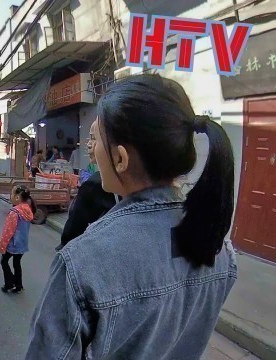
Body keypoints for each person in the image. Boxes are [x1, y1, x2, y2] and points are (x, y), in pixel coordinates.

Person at [26, 75, 237, 359]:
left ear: (121, 159)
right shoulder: (218, 248)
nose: (93, 149)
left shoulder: (83, 262)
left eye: (96, 140)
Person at [55, 121, 118, 251]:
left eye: (94, 138)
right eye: (89, 138)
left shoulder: (94, 184)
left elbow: (72, 231)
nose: (89, 144)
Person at [0, 185, 35, 294]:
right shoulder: (28, 210)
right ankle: (18, 285)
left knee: (4, 261)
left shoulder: (14, 213)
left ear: (17, 197)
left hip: (13, 244)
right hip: (23, 243)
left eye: (12, 194)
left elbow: (8, 232)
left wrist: (2, 245)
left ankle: (9, 283)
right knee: (16, 263)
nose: (11, 196)